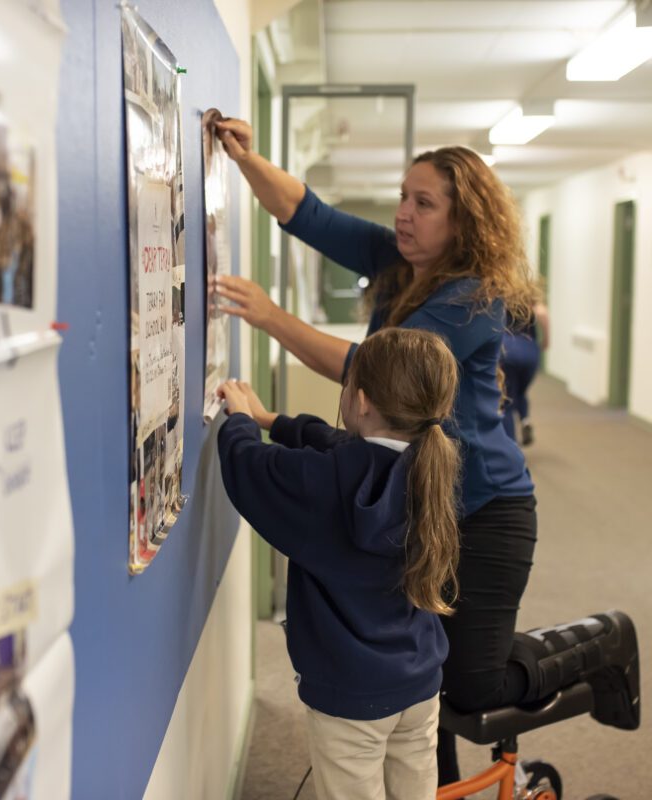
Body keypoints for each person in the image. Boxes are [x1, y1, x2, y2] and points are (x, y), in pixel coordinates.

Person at [214, 118, 540, 783]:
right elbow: (308, 213)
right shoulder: (400, 265)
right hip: (418, 497)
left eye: (424, 203)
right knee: (420, 677)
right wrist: (246, 159)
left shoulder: (473, 298)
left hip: (483, 507)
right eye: (402, 196)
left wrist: (270, 316)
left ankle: (595, 647)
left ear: (465, 221)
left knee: (468, 683)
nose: (404, 213)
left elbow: (372, 368)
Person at [217, 327, 461, 800]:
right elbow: (337, 442)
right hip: (420, 682)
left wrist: (242, 421)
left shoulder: (322, 483)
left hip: (350, 695)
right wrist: (273, 419)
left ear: (362, 401)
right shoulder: (431, 465)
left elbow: (248, 467)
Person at [501, 302, 550, 445]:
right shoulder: (530, 301)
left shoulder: (502, 299)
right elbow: (542, 313)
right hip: (530, 352)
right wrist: (546, 341)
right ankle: (525, 419)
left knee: (507, 399)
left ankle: (511, 446)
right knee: (521, 391)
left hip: (507, 350)